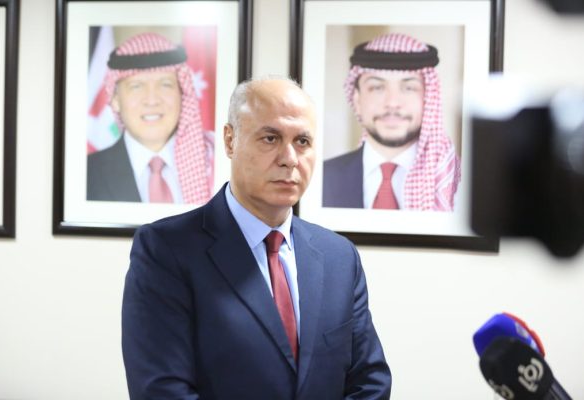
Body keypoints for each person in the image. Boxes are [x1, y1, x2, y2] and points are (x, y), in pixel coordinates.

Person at [122, 76, 392, 399]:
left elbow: (370, 381)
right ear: (230, 140)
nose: (289, 158)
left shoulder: (340, 257)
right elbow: (161, 391)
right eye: (270, 138)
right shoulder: (166, 250)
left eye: (302, 141)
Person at [323, 33, 460, 211]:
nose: (392, 102)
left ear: (428, 98)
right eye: (377, 87)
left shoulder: (457, 182)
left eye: (409, 88)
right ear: (357, 100)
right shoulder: (321, 178)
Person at [87, 32, 213, 204]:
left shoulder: (214, 163)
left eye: (165, 84)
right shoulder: (86, 175)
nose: (152, 100)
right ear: (115, 100)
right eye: (136, 86)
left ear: (182, 93)